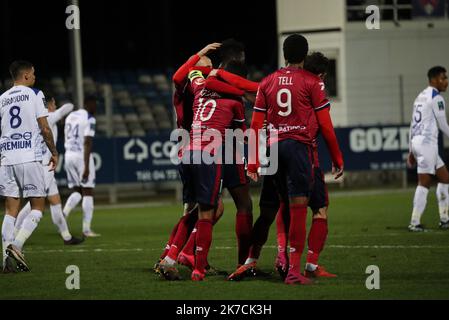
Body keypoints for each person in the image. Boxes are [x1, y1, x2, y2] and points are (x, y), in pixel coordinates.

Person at [230, 35, 344, 285]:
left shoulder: (268, 82)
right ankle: (294, 270)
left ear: (284, 54)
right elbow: (325, 125)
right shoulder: (312, 82)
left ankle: (256, 260)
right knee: (299, 209)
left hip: (273, 149)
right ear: (305, 55)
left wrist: (252, 162)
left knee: (275, 208)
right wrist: (337, 157)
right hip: (299, 148)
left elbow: (256, 125)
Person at [1, 60, 58, 272]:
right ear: (25, 76)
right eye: (33, 73)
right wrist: (53, 152)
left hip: (7, 158)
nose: (35, 76)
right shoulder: (35, 94)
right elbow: (44, 127)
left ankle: (6, 261)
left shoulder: (2, 98)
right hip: (29, 156)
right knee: (37, 207)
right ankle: (16, 246)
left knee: (10, 211)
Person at [13, 95, 84, 245]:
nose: (56, 106)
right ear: (50, 104)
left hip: (45, 167)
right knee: (35, 204)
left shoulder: (36, 118)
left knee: (55, 201)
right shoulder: (48, 116)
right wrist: (67, 105)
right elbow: (68, 108)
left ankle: (66, 236)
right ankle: (14, 233)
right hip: (43, 168)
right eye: (54, 103)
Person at [407, 66, 449, 232]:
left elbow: (412, 124)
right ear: (433, 80)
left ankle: (445, 218)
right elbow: (444, 125)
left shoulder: (420, 96)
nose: (446, 81)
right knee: (424, 183)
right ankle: (414, 222)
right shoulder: (436, 97)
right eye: (443, 78)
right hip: (426, 144)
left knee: (445, 178)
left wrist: (411, 149)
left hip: (419, 143)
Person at [62, 96, 99, 238]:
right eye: (95, 104)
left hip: (68, 155)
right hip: (81, 156)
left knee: (77, 190)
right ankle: (86, 229)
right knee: (87, 191)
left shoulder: (71, 116)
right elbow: (87, 142)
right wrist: (86, 166)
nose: (96, 107)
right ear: (89, 103)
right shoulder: (90, 118)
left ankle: (63, 215)